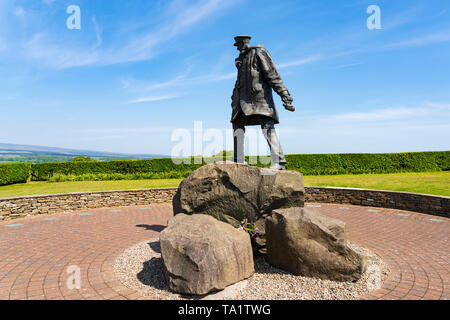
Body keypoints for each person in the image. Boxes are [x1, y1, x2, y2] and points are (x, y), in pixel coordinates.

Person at [231, 35, 295, 170]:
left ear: (244, 43)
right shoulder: (241, 60)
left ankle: (279, 161)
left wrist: (285, 95)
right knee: (237, 125)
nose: (238, 49)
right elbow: (239, 81)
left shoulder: (259, 52)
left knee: (267, 127)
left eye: (239, 46)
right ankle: (238, 159)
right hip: (241, 100)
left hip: (260, 99)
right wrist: (234, 98)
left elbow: (272, 75)